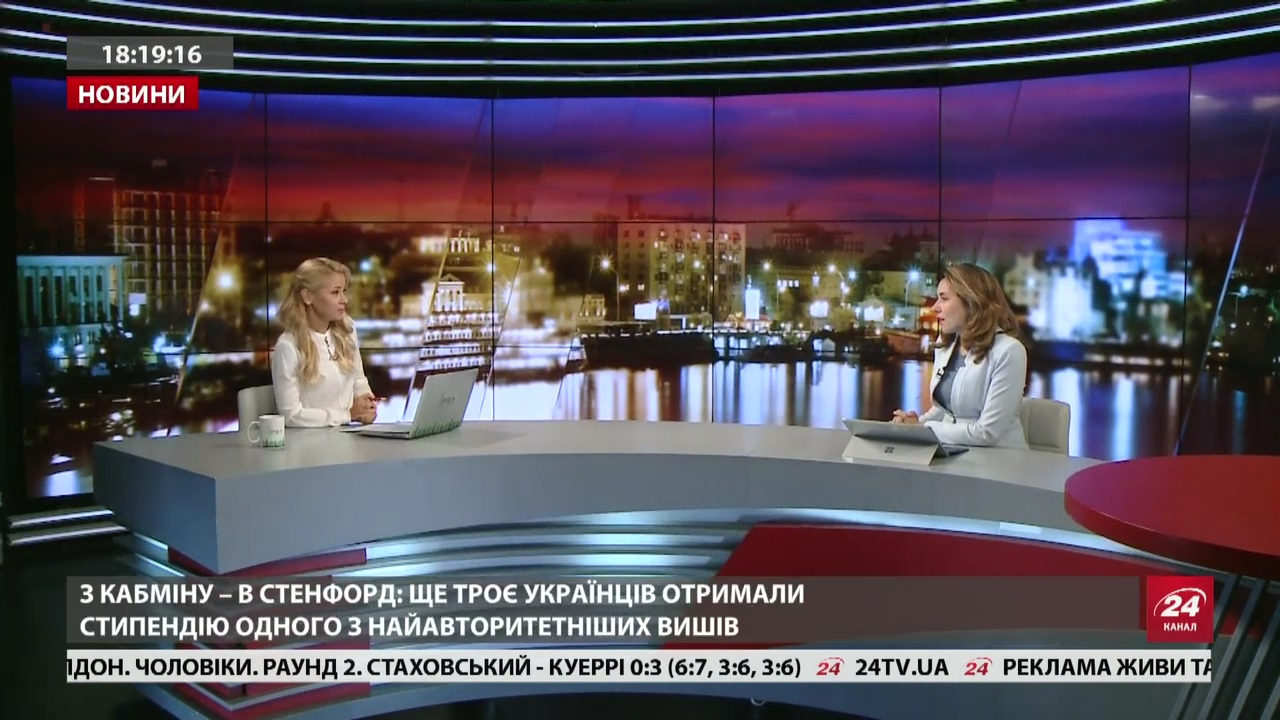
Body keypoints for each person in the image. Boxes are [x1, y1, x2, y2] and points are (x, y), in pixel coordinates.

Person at [891, 263, 1029, 449]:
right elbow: (945, 411)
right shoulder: (945, 345)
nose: (935, 307)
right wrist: (913, 425)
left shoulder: (1009, 351)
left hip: (1000, 458)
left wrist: (924, 429)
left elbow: (987, 433)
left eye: (944, 298)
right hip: (955, 452)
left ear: (972, 302)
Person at [271, 258, 378, 427]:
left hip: (349, 435)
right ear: (307, 296)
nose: (344, 300)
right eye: (335, 292)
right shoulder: (288, 346)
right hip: (309, 440)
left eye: (343, 291)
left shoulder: (347, 330)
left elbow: (358, 378)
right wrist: (347, 415)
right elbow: (291, 415)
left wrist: (366, 403)